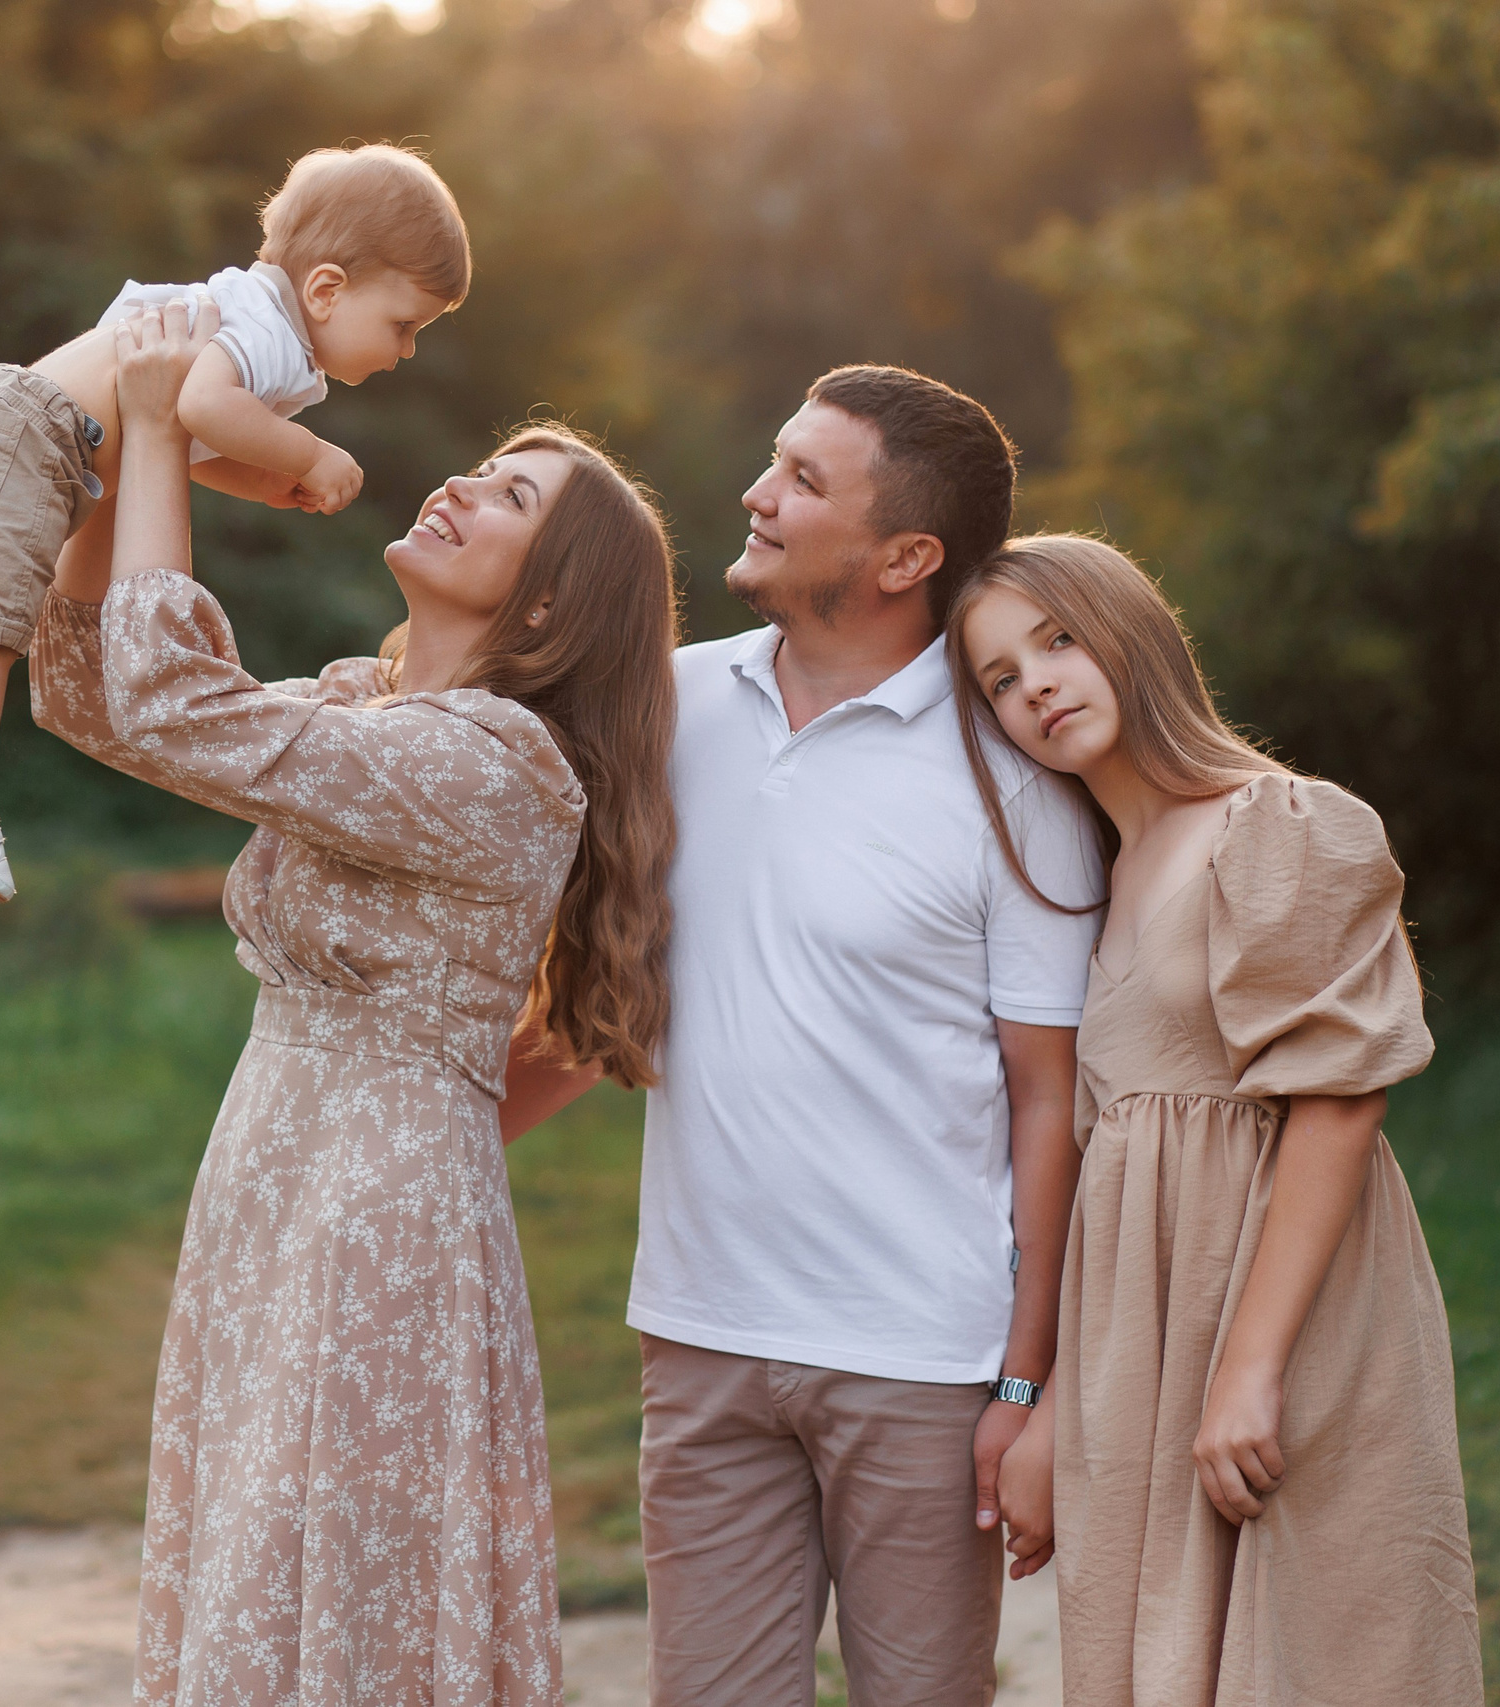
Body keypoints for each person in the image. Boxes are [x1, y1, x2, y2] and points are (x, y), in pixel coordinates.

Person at [32, 300, 680, 1706]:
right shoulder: (368, 709)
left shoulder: (500, 766)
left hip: (381, 1217)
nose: (457, 482)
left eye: (511, 496)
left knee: (333, 1581)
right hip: (273, 1174)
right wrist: (102, 459)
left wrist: (158, 434)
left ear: (553, 604)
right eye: (486, 463)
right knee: (259, 1564)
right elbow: (94, 696)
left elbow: (168, 702)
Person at [503, 366, 1105, 1706]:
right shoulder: (662, 704)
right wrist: (431, 1127)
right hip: (702, 1330)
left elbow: (1049, 1100)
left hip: (924, 1359)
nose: (755, 495)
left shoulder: (1015, 779)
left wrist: (1025, 1380)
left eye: (803, 480)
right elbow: (603, 989)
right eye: (777, 463)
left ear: (906, 555)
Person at [953, 534, 1483, 1705]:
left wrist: (1248, 1370)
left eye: (1057, 640)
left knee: (1319, 1646)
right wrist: (1045, 1414)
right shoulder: (1091, 883)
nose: (1033, 683)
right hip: (1139, 1336)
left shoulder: (1280, 824)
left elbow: (1338, 1100)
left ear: (1131, 635)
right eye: (997, 676)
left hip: (1285, 1315)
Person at [0, 143, 467, 902]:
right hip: (40, 439)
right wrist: (310, 455)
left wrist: (262, 481)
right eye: (404, 324)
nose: (407, 350)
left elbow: (185, 439)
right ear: (326, 289)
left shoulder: (229, 309)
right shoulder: (271, 337)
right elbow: (201, 408)